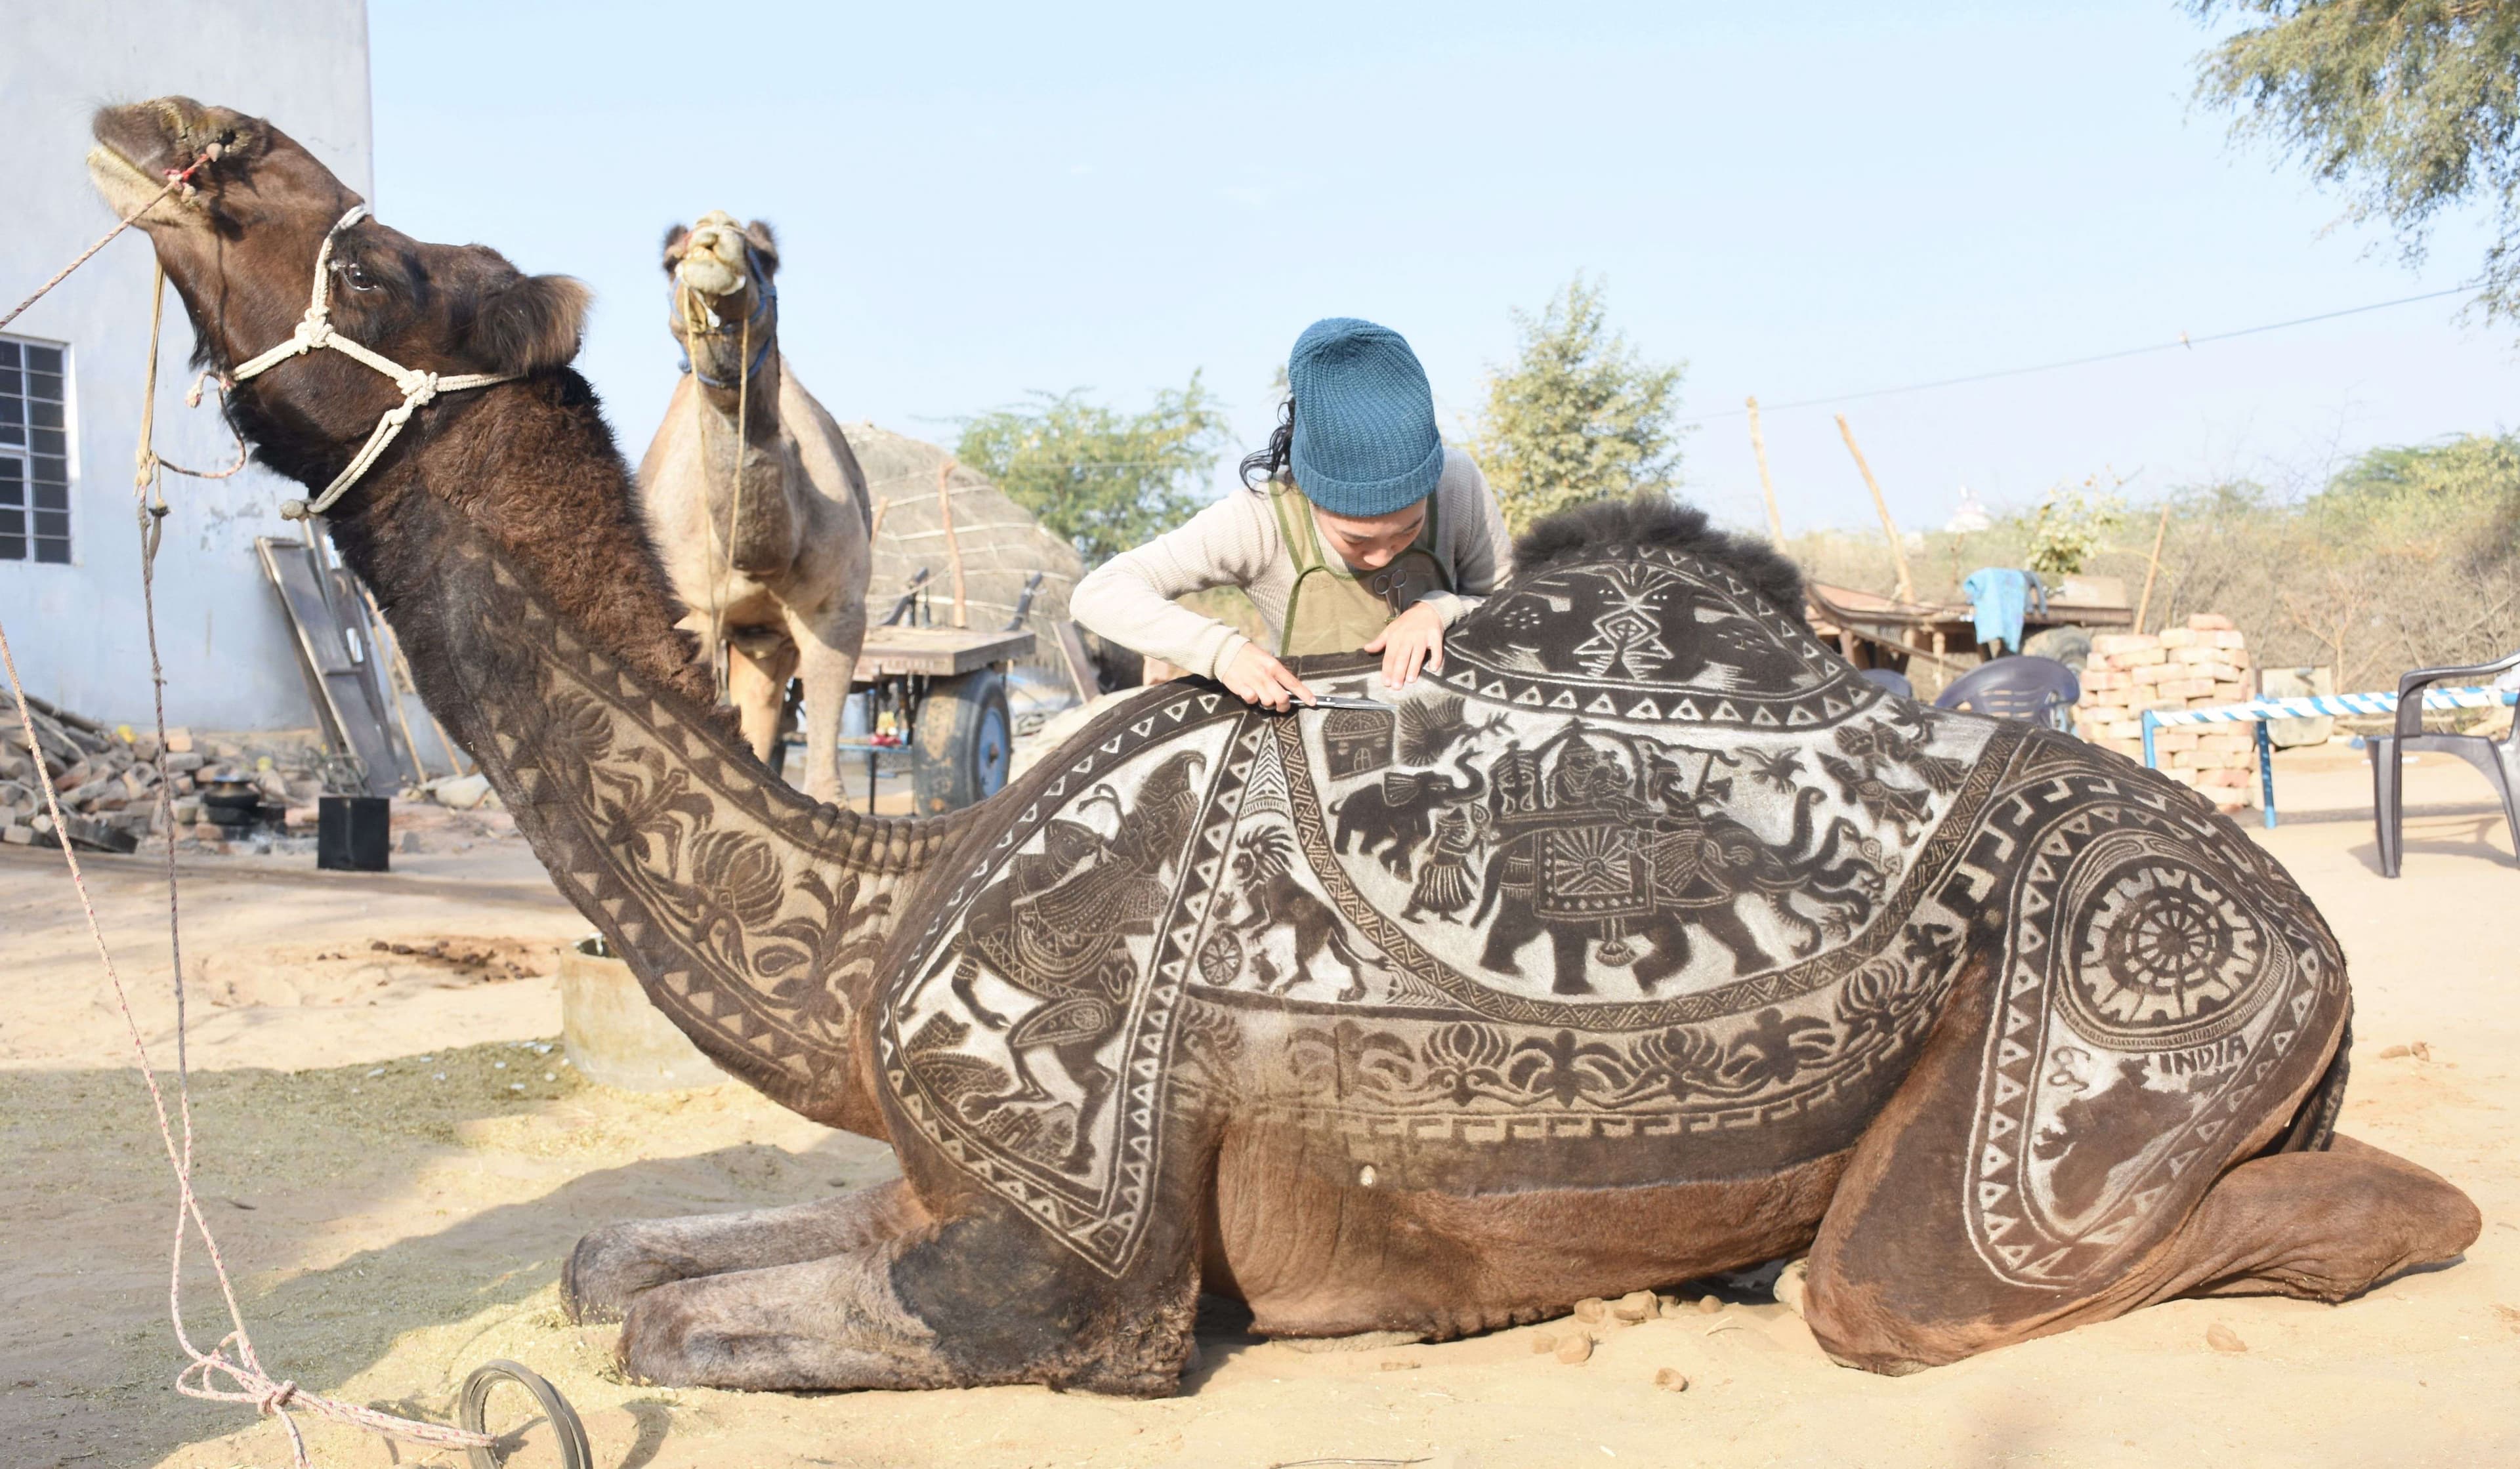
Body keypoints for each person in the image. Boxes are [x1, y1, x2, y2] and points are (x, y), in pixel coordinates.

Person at [1070, 317, 1513, 711]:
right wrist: (1223, 652)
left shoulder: (1457, 484)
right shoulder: (1261, 520)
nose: (1382, 557)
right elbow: (1100, 592)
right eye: (1355, 540)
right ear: (1309, 490)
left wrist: (1441, 608)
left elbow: (1517, 607)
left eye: (1406, 532)